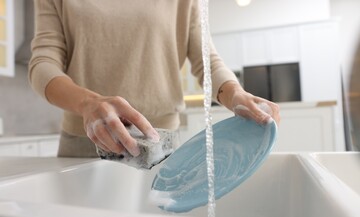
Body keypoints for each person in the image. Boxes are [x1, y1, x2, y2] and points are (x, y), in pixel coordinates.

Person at [29, 0, 280, 158]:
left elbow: (207, 60)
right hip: (85, 143)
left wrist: (234, 92)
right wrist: (88, 103)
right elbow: (43, 62)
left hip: (161, 145)